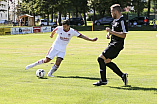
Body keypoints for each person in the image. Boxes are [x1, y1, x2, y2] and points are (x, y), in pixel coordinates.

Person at [25, 20, 98, 77]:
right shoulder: (59, 28)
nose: (64, 28)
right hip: (55, 47)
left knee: (58, 62)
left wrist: (91, 40)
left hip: (62, 49)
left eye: (65, 27)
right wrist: (51, 35)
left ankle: (50, 74)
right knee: (47, 60)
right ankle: (31, 65)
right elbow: (54, 31)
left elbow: (82, 36)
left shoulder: (72, 31)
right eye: (63, 26)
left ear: (69, 26)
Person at [93, 4, 128, 86]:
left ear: (116, 11)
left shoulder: (122, 21)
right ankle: (122, 75)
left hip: (117, 45)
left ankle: (103, 80)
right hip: (112, 43)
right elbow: (113, 30)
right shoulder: (114, 20)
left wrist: (111, 32)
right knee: (106, 61)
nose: (111, 13)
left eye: (112, 12)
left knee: (100, 59)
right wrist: (109, 33)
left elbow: (123, 35)